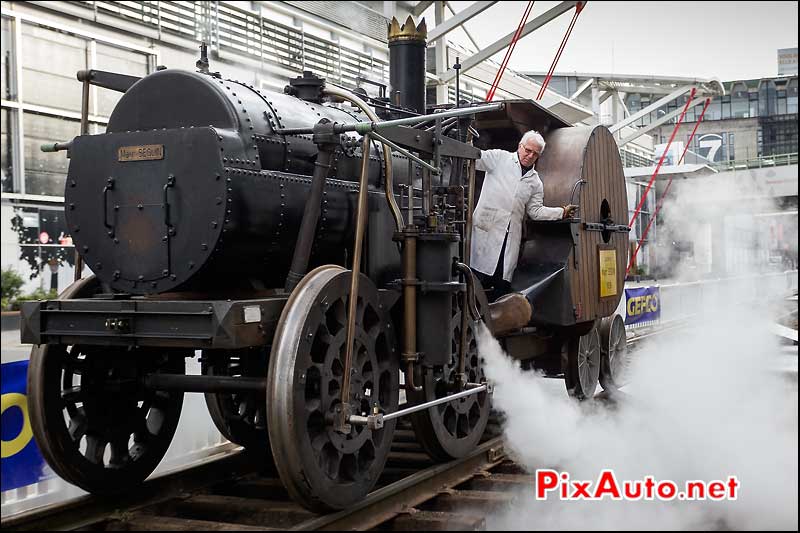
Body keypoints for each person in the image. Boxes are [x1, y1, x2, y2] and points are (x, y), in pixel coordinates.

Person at [470, 130, 578, 301]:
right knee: (474, 282)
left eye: (535, 154)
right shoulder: (499, 158)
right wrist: (467, 140)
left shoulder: (535, 182)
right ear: (520, 146)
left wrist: (561, 212)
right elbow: (474, 159)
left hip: (509, 241)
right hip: (485, 232)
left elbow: (535, 212)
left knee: (500, 289)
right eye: (527, 150)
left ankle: (494, 325)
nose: (530, 155)